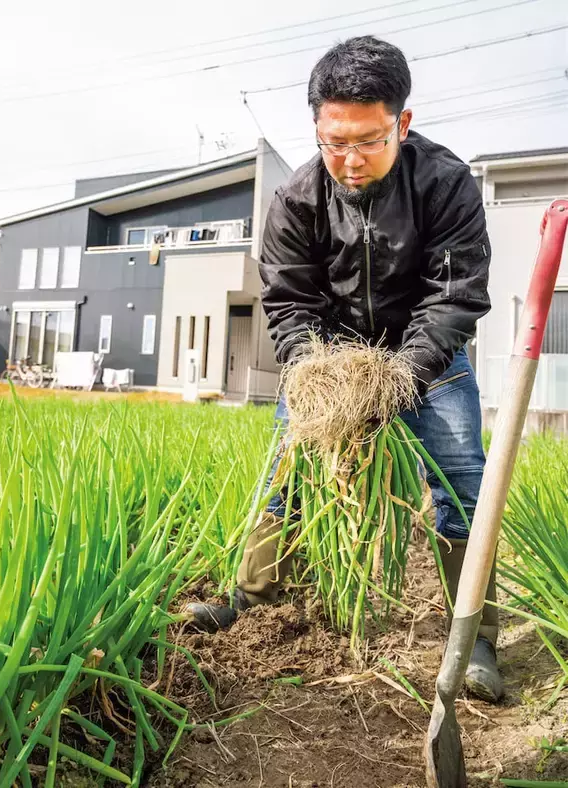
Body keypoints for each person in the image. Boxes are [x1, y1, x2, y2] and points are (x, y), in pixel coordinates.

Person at [187, 35, 502, 702]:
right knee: (285, 472)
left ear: (402, 123)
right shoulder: (298, 199)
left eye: (368, 140)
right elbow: (290, 302)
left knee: (464, 485)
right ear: (316, 127)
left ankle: (472, 635)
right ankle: (250, 599)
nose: (350, 160)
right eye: (335, 142)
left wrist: (400, 377)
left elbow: (453, 296)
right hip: (331, 366)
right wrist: (319, 377)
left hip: (427, 360)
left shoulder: (445, 184)